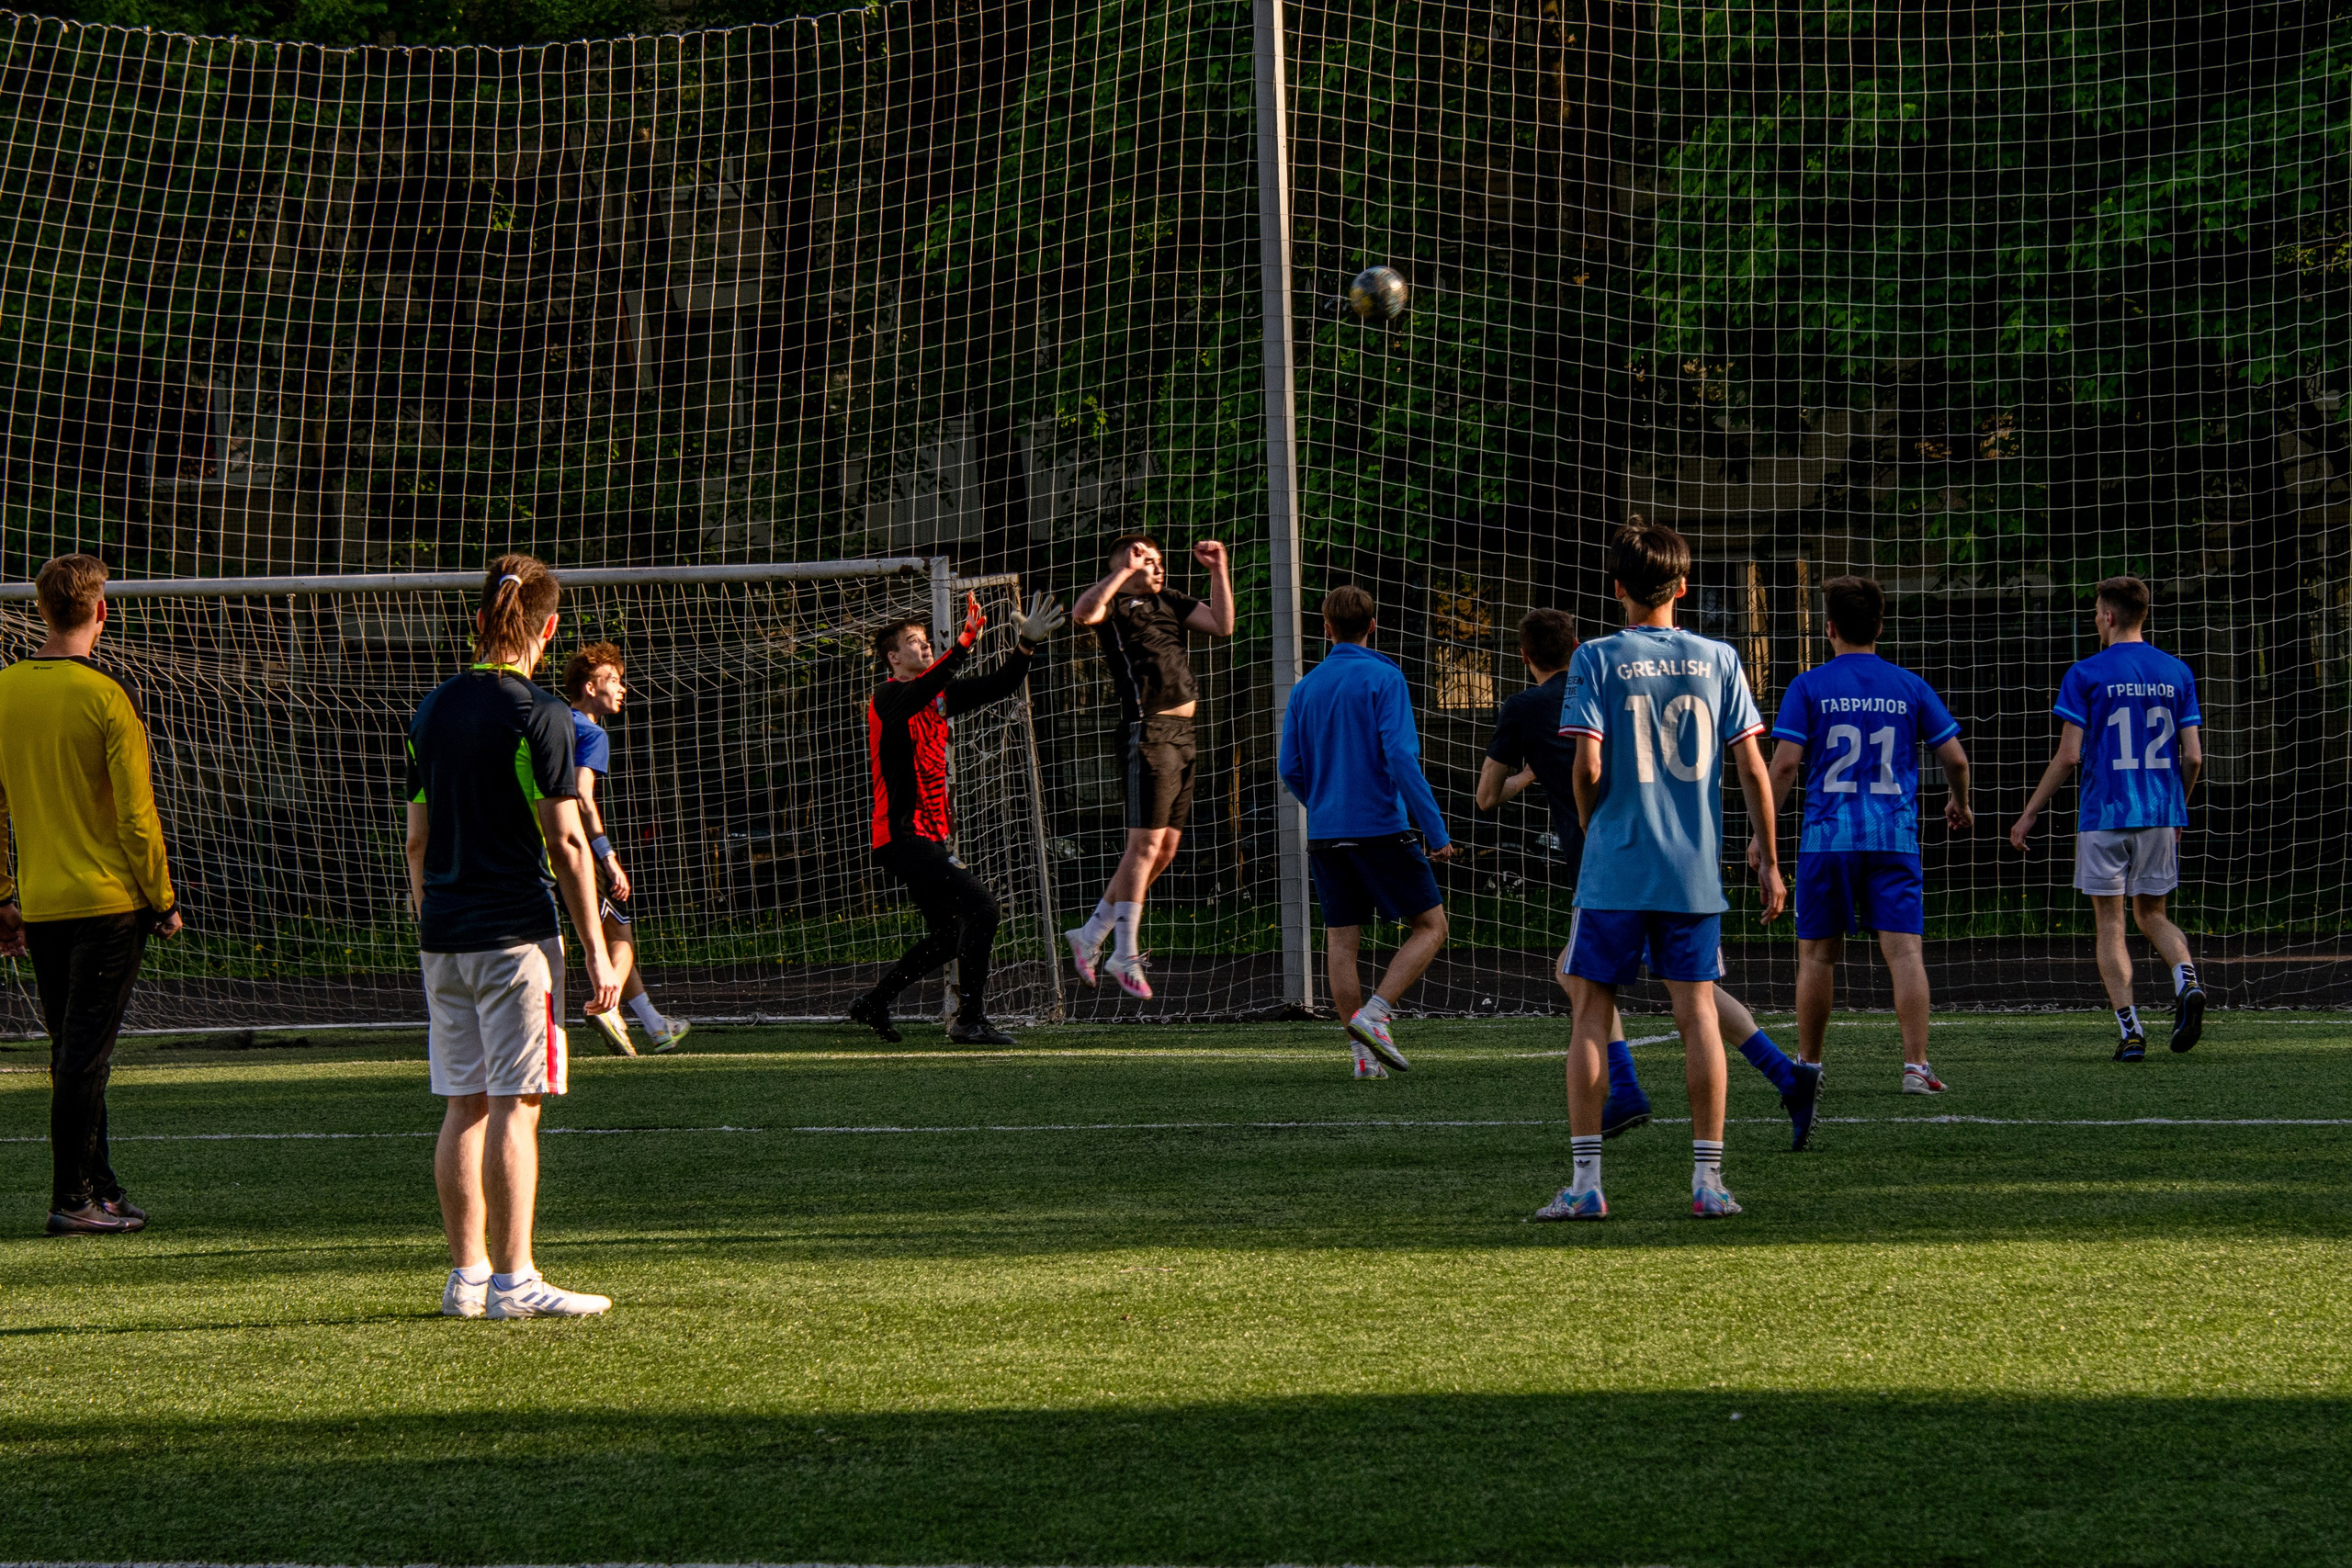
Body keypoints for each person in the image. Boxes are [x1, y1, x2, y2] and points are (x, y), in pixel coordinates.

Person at [1480, 608, 1819, 1146]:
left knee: (1589, 982)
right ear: (1574, 643)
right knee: (1685, 989)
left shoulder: (1544, 698)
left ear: (1524, 656)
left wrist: (1531, 775)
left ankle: (1624, 1099)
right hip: (1678, 852)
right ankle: (1777, 1083)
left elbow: (1490, 796)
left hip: (1608, 858)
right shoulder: (1640, 671)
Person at [1534, 520, 1786, 1222]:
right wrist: (1769, 859)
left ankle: (1587, 1183)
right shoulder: (1720, 657)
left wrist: (1594, 824)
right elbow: (1753, 768)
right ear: (1683, 585)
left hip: (1616, 865)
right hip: (1691, 870)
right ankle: (1709, 1182)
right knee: (1698, 1012)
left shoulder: (1595, 657)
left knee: (1592, 1010)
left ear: (1617, 586)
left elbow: (1587, 765)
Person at [407, 555, 621, 1319]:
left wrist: (431, 916)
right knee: (514, 1103)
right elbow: (566, 842)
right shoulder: (543, 713)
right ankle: (514, 1279)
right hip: (515, 936)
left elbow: (417, 840)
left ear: (478, 621)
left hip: (444, 935)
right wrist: (596, 948)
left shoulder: (431, 708)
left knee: (462, 1102)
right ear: (550, 628)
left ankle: (467, 1279)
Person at [0, 554, 184, 1235]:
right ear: (101, 611)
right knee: (84, 1056)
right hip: (108, 904)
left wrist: (2, 896)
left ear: (41, 611)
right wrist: (162, 899)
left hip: (43, 903)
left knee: (72, 1053)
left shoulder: (4, 689)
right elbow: (137, 817)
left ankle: (99, 1188)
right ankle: (73, 1199)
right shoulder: (108, 695)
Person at [1765, 576, 1973, 1095]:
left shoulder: (1807, 686)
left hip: (1826, 841)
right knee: (1905, 954)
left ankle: (1809, 1065)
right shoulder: (1909, 685)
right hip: (1892, 838)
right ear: (1880, 627)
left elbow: (1785, 765)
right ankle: (1916, 1067)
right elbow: (1955, 759)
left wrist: (1761, 834)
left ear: (1829, 628)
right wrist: (1959, 801)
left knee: (1817, 956)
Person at [847, 590, 1067, 1046]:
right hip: (901, 836)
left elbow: (1000, 684)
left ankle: (874, 1001)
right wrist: (964, 642)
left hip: (927, 837)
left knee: (950, 935)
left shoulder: (938, 697)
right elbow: (924, 688)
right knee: (983, 909)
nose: (925, 645)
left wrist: (1026, 644)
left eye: (926, 640)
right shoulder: (888, 697)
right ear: (893, 657)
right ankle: (969, 1020)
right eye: (914, 642)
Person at [2010, 574, 2206, 1061]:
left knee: (2111, 925)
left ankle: (2131, 1033)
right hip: (2159, 813)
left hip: (2104, 815)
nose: (2095, 620)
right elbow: (2194, 757)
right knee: (2153, 915)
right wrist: (2177, 810)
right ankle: (2187, 982)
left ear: (2109, 616)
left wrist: (2029, 813)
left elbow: (2069, 756)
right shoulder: (2177, 671)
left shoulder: (2086, 673)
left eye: (2097, 612)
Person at [1277, 583, 1460, 1077]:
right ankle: (1375, 1014)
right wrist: (1436, 831)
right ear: (1373, 626)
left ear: (1326, 629)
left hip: (1326, 833)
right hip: (1380, 827)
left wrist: (1325, 804)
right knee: (1432, 927)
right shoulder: (1385, 676)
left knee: (1342, 944)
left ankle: (1362, 1057)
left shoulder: (1305, 687)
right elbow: (1400, 755)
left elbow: (1289, 767)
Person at [1064, 535, 1236, 1000]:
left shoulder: (1169, 600)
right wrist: (1124, 570)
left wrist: (1218, 569)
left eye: (1160, 561)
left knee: (1165, 851)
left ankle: (1090, 934)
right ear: (1126, 567)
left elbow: (1222, 625)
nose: (1159, 568)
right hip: (1148, 732)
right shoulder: (1114, 606)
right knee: (1143, 847)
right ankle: (1124, 952)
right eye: (1148, 562)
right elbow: (1082, 613)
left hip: (1184, 735)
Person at [562, 642, 688, 1056]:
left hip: (534, 847)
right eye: (613, 680)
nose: (622, 688)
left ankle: (656, 1027)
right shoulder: (591, 732)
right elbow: (582, 796)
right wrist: (608, 857)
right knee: (622, 942)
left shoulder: (551, 723)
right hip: (576, 848)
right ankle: (607, 1006)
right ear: (589, 687)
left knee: (608, 937)